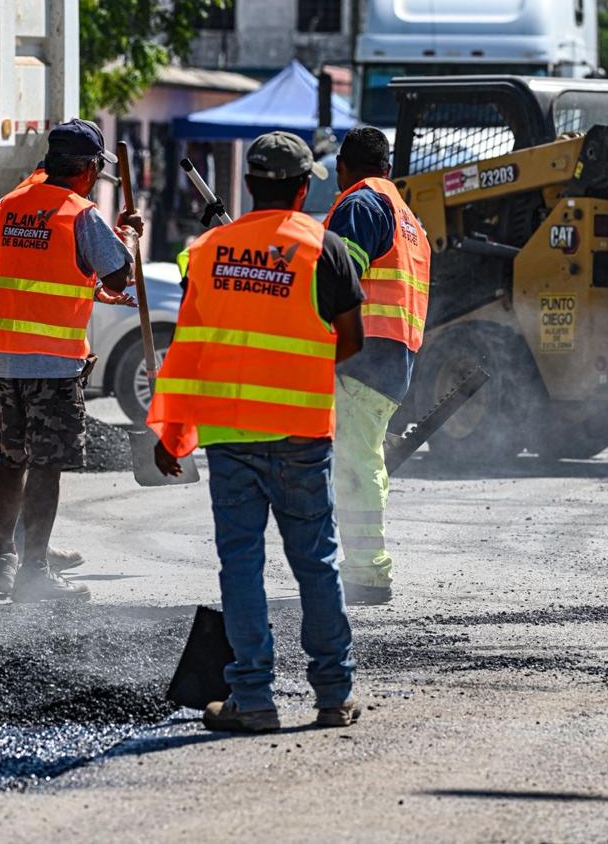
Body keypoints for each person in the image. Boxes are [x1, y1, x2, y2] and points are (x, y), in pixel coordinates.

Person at [149, 131, 366, 733]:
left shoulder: (207, 251)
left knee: (240, 566)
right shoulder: (324, 248)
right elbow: (352, 339)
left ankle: (253, 699)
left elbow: (188, 347)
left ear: (248, 185)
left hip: (230, 436)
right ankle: (333, 696)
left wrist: (173, 431)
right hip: (301, 433)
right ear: (300, 190)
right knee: (316, 564)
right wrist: (301, 372)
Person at [0, 119, 141, 602]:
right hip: (53, 366)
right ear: (89, 168)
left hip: (4, 361)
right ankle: (34, 571)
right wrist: (130, 236)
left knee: (11, 460)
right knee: (46, 466)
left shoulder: (7, 206)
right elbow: (119, 277)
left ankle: (5, 560)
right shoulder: (80, 214)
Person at [323, 127, 431, 605]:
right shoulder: (409, 220)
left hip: (360, 353)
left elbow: (337, 278)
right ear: (388, 168)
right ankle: (359, 564)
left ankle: (367, 572)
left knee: (354, 463)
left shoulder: (361, 204)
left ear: (343, 167)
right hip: (394, 357)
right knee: (361, 457)